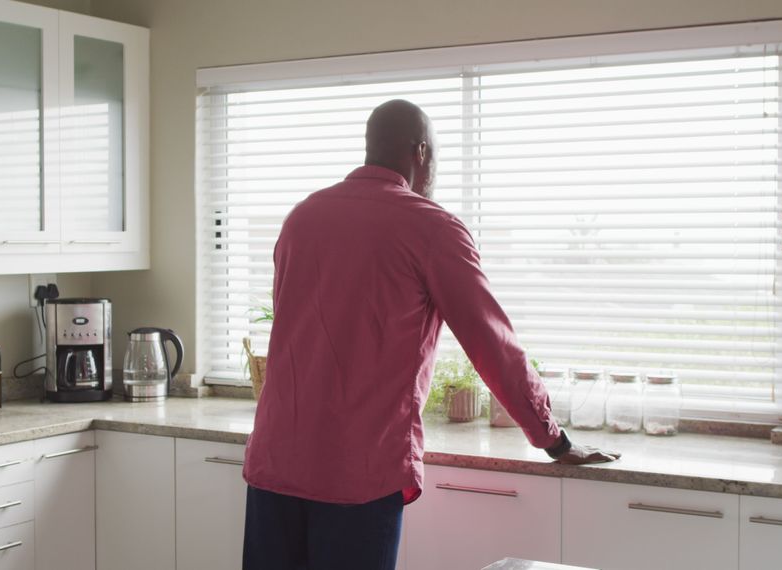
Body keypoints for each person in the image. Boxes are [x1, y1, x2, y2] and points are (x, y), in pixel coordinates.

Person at [242, 99, 620, 570]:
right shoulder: (430, 227)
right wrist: (554, 441)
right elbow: (493, 344)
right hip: (358, 475)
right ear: (420, 152)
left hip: (276, 465)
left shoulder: (302, 217)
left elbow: (295, 335)